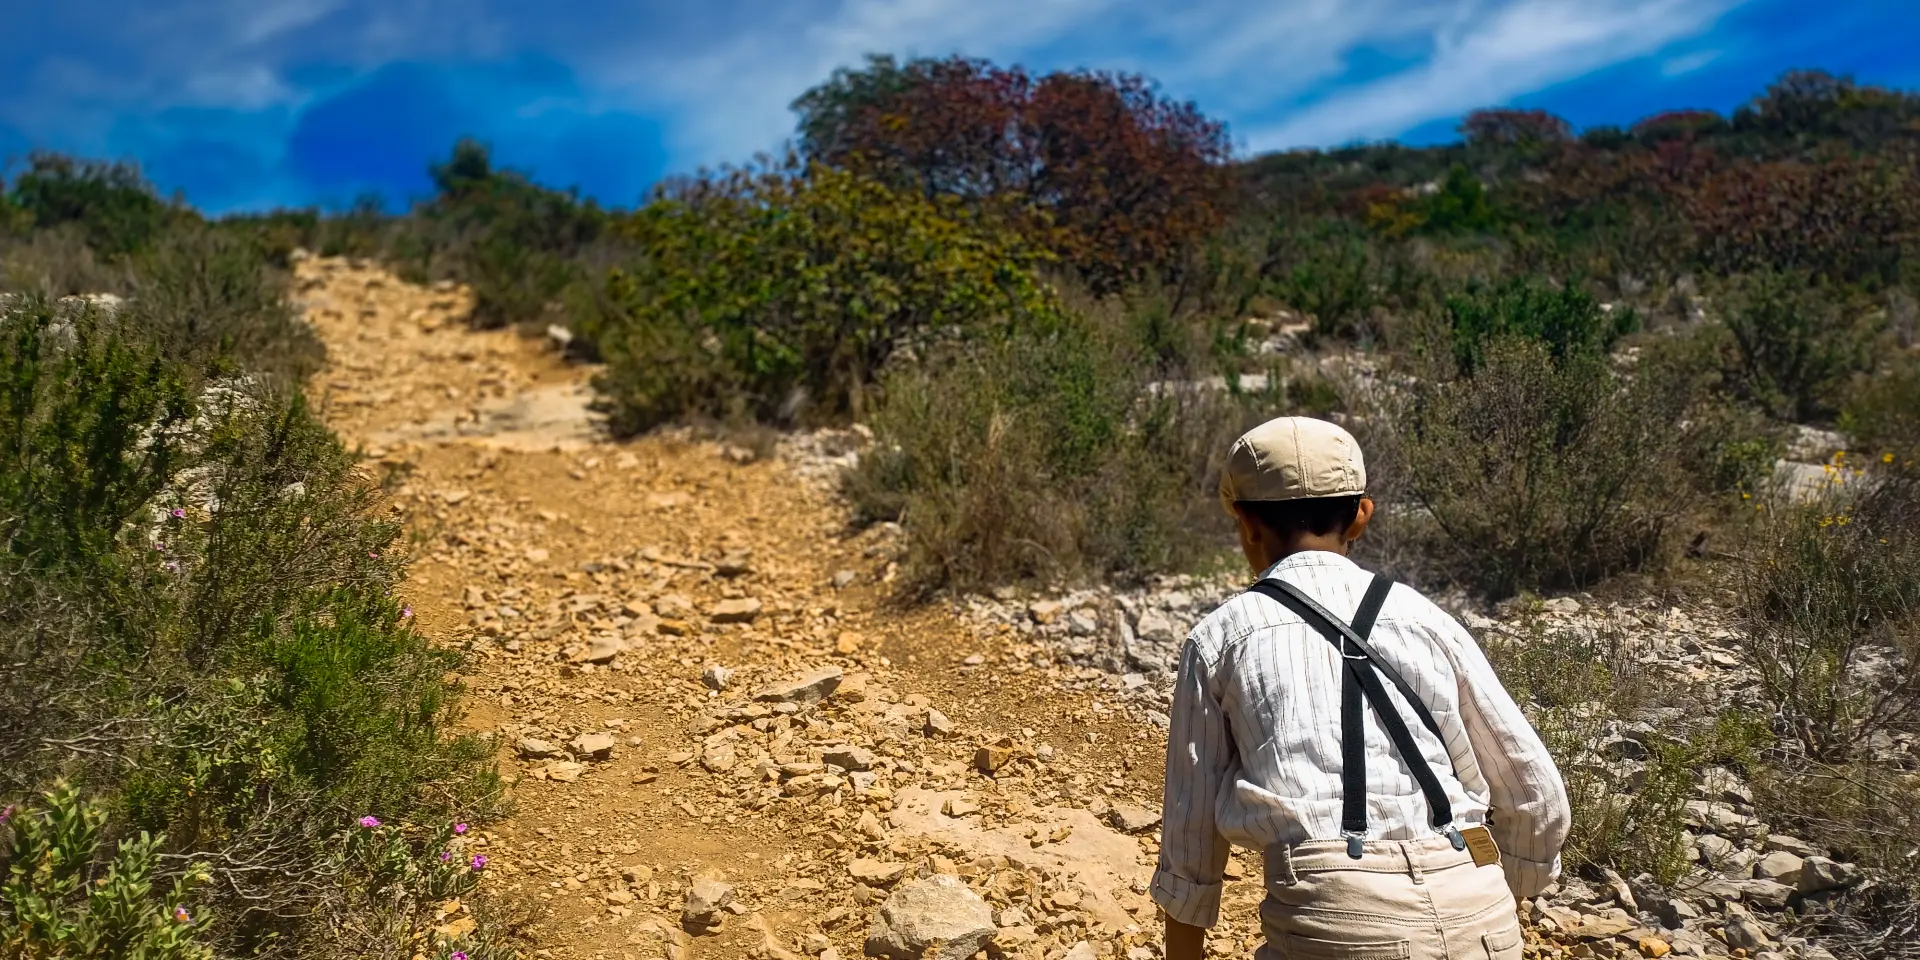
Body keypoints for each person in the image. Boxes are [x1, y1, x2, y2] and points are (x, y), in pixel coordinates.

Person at [1154, 416, 1571, 960]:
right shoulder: (1428, 619)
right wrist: (1495, 893)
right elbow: (1537, 794)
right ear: (1361, 516)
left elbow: (1190, 838)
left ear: (1247, 524)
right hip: (1477, 900)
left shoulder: (1221, 637)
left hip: (1336, 914)